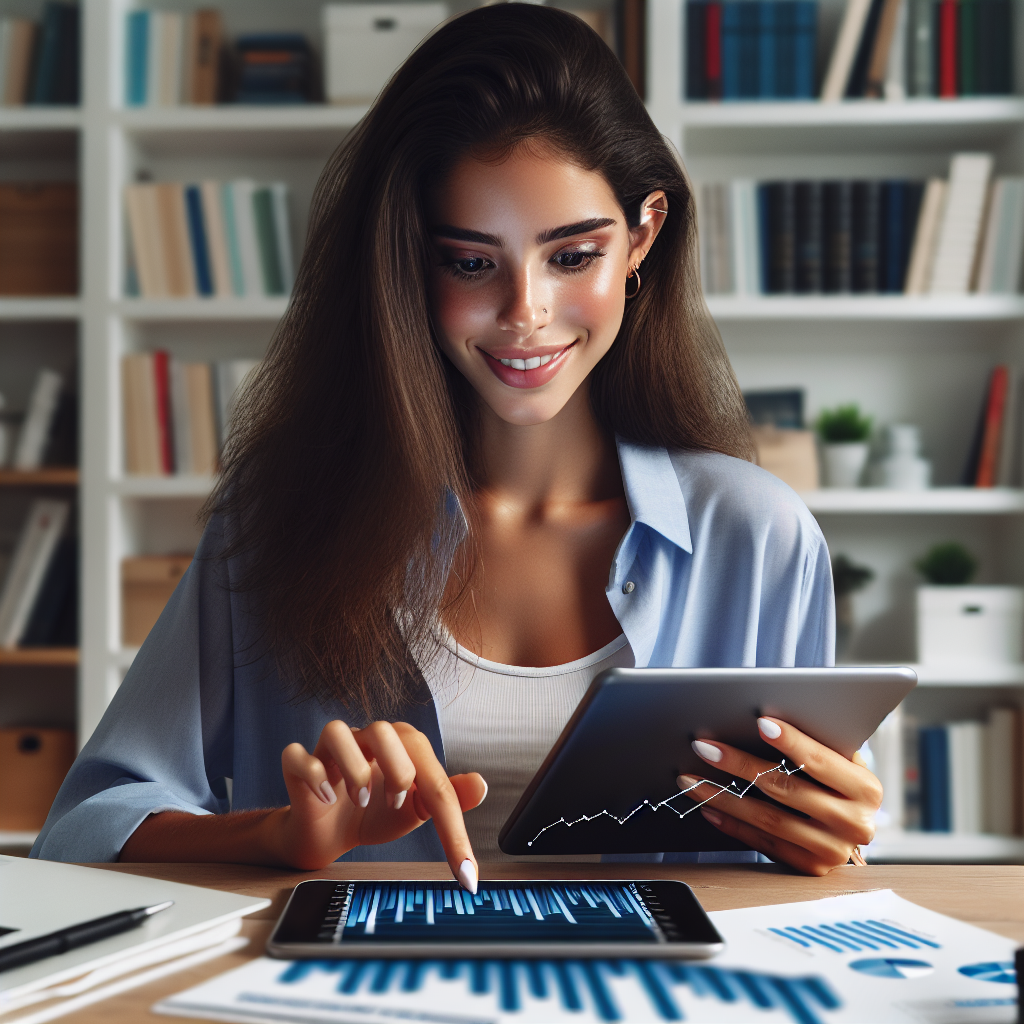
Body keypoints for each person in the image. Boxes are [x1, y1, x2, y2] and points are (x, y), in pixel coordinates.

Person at [32, 4, 879, 885]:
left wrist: (836, 836)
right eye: (472, 263)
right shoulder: (279, 520)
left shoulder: (758, 536)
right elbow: (85, 827)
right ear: (407, 264)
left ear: (642, 236)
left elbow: (805, 857)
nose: (525, 311)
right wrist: (279, 837)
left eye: (572, 255)